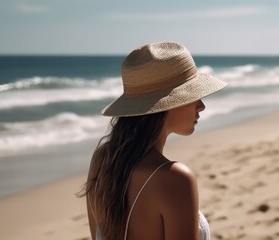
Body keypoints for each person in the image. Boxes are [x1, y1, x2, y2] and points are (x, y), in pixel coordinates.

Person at [78, 42, 227, 240]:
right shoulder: (175, 178)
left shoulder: (104, 160)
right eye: (193, 95)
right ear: (168, 104)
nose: (202, 106)